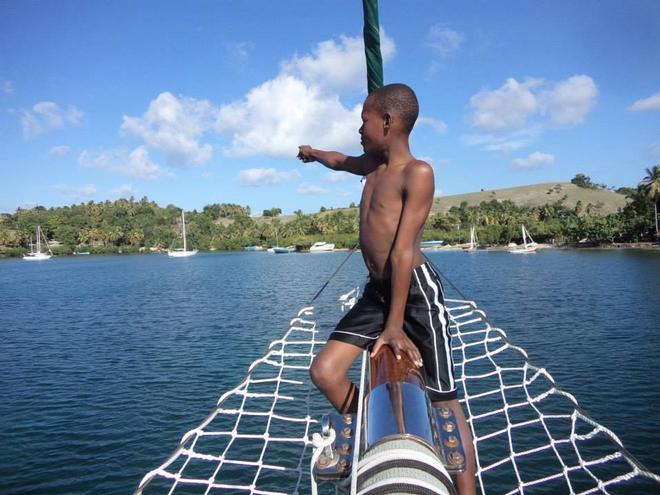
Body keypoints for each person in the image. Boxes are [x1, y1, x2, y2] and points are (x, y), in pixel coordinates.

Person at [297, 83, 475, 494]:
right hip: (378, 291)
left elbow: (402, 253)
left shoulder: (418, 173)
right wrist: (314, 153)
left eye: (364, 121)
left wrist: (394, 327)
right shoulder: (373, 167)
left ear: (389, 122)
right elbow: (342, 161)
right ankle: (368, 429)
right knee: (324, 371)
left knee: (443, 399)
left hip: (415, 293)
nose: (359, 129)